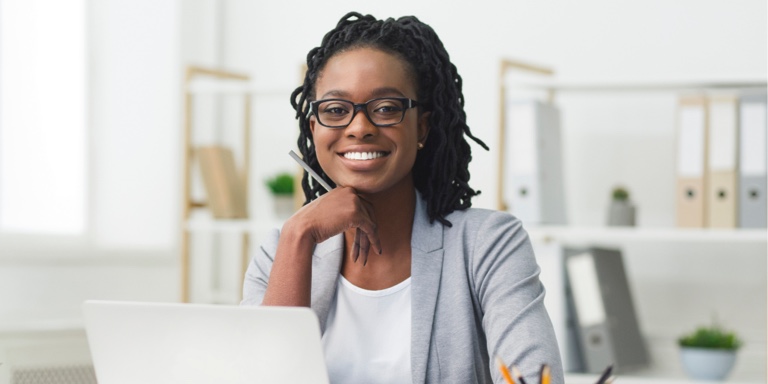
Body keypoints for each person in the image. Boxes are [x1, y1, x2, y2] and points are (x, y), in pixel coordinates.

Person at [242, 11, 564, 384]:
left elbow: (537, 378)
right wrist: (299, 232)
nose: (359, 128)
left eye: (385, 109)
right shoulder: (280, 252)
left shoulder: (487, 245)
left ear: (421, 126)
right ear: (314, 129)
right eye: (335, 110)